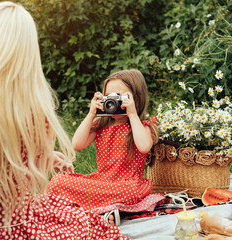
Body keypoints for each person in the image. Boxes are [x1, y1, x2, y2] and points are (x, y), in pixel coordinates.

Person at [0, 2, 128, 239]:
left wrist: (44, 155)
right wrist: (40, 156)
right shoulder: (32, 114)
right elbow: (25, 180)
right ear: (26, 54)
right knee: (84, 222)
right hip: (14, 227)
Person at [46, 69, 164, 226]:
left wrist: (132, 114)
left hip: (126, 187)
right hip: (101, 182)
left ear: (137, 98)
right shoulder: (101, 125)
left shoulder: (143, 126)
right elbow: (77, 144)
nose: (113, 101)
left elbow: (144, 147)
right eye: (109, 96)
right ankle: (102, 212)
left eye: (120, 97)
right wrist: (91, 114)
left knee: (130, 192)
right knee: (57, 181)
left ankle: (89, 211)